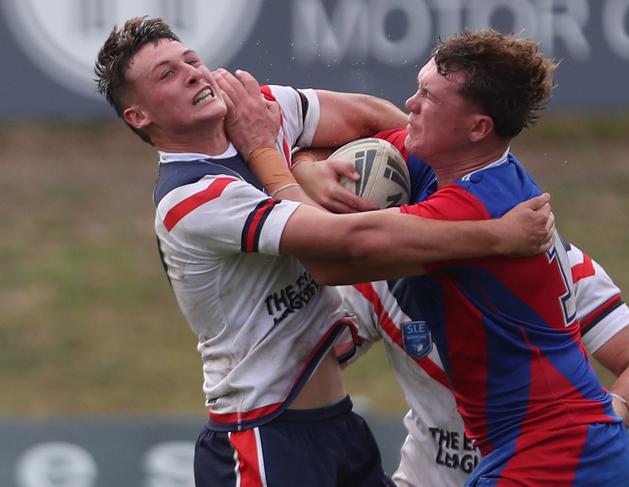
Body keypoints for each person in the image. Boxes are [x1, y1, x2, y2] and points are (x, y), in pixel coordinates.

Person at [94, 17, 554, 487]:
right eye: (167, 74)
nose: (194, 73)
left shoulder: (257, 108)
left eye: (191, 59)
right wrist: (495, 235)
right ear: (140, 116)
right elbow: (342, 249)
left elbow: (371, 117)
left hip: (339, 426)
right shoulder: (193, 199)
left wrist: (309, 162)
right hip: (262, 438)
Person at [228, 30, 629, 486]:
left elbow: (330, 261)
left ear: (478, 127)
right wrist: (309, 169)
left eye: (429, 97)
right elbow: (353, 127)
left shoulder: (481, 204)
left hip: (557, 458)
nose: (411, 103)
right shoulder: (444, 164)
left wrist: (264, 152)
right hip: (536, 451)